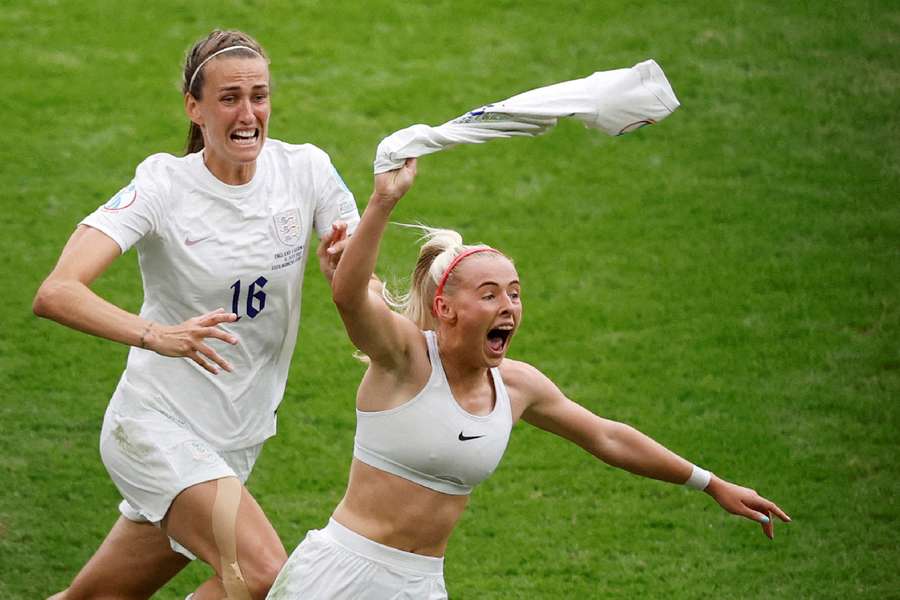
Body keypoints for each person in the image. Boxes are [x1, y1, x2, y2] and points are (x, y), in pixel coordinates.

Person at [266, 159, 791, 598]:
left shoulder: (517, 388)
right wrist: (383, 202)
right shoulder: (405, 359)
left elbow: (605, 436)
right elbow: (350, 296)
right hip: (342, 577)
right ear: (445, 307)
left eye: (514, 293)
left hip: (420, 586)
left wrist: (710, 483)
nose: (508, 306)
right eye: (490, 294)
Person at [33, 29, 361, 600]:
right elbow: (58, 290)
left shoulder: (306, 171)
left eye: (258, 96)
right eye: (229, 97)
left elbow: (360, 283)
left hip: (234, 439)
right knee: (262, 575)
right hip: (154, 424)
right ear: (195, 107)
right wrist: (156, 335)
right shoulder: (163, 184)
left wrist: (351, 267)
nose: (248, 113)